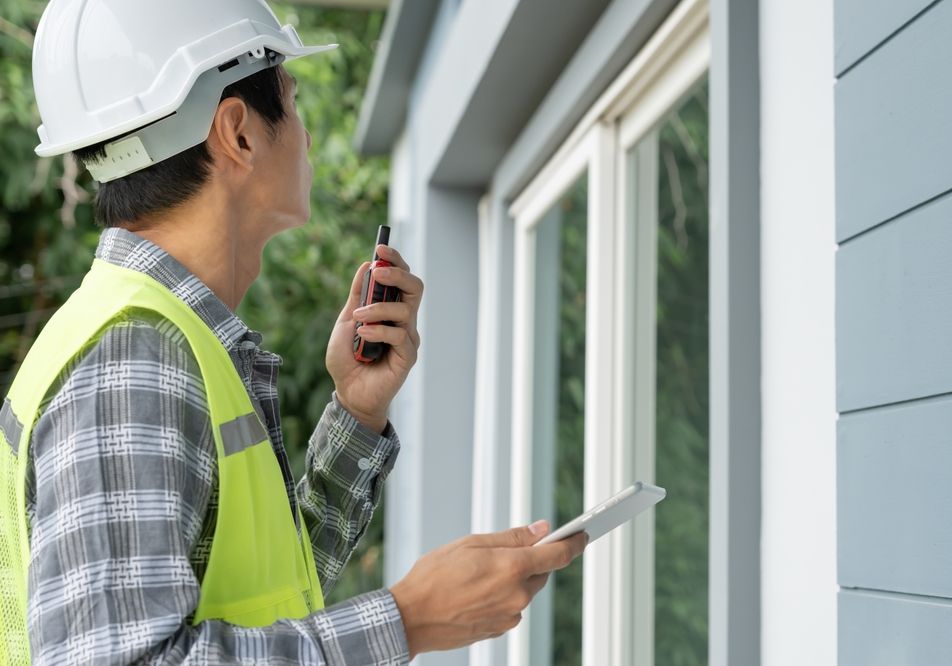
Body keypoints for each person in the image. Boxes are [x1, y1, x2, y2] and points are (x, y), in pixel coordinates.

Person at [0, 1, 589, 663]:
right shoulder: (135, 360)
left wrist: (358, 411)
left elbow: (271, 589)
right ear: (239, 132)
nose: (306, 134)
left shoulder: (161, 337)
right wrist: (409, 620)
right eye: (296, 101)